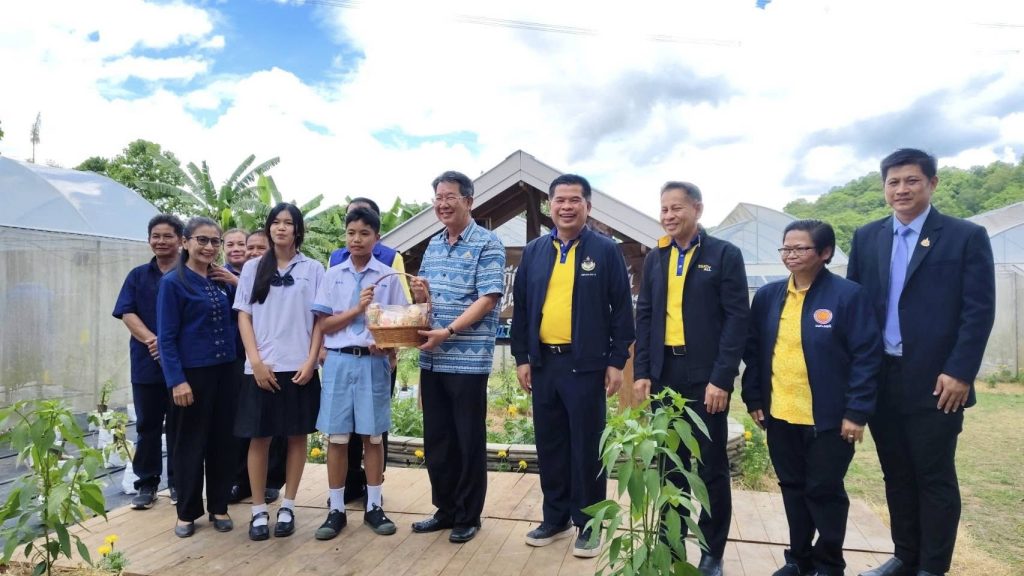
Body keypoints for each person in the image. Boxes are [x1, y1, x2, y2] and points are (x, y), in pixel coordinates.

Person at [847, 149, 995, 576]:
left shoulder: (965, 236)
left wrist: (960, 371)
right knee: (896, 473)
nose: (902, 189)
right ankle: (904, 555)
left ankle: (931, 567)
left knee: (933, 475)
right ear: (883, 188)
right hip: (882, 376)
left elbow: (978, 310)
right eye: (893, 182)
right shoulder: (868, 237)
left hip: (938, 380)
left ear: (932, 183)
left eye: (911, 180)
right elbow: (856, 307)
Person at [742, 220, 882, 576]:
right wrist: (754, 397)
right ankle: (799, 560)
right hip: (781, 413)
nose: (790, 255)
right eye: (786, 248)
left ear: (825, 253)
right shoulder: (769, 296)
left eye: (800, 248)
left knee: (824, 490)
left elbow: (866, 357)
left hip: (830, 418)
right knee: (792, 488)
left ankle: (830, 564)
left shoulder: (848, 296)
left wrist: (856, 411)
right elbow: (754, 351)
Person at [510, 174, 634, 557]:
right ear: (549, 206)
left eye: (574, 200)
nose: (566, 206)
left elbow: (622, 310)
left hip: (586, 367)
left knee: (586, 447)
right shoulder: (535, 251)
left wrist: (616, 362)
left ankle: (589, 523)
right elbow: (522, 308)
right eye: (559, 200)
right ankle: (556, 517)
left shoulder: (605, 250)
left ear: (588, 206)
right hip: (544, 365)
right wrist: (522, 357)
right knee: (550, 445)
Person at [633, 181, 749, 576]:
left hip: (706, 378)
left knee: (711, 464)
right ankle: (671, 543)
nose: (668, 215)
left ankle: (712, 551)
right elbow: (645, 316)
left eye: (676, 208)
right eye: (664, 208)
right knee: (670, 462)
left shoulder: (723, 255)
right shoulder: (657, 257)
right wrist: (643, 371)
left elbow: (737, 319)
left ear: (697, 209)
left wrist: (722, 378)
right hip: (664, 373)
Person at [409, 170, 505, 544]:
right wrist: (421, 295)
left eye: (450, 196)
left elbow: (488, 298)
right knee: (437, 438)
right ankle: (445, 509)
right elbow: (427, 300)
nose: (443, 204)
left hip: (467, 359)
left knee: (467, 438)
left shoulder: (488, 243)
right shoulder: (434, 244)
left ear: (469, 201)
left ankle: (468, 515)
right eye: (438, 197)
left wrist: (448, 331)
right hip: (431, 358)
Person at [312, 207, 408, 540]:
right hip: (339, 360)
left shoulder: (388, 277)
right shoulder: (332, 275)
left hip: (372, 363)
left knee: (373, 436)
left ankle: (374, 506)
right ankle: (336, 509)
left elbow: (399, 322)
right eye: (351, 233)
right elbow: (324, 325)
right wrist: (357, 309)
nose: (356, 239)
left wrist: (388, 345)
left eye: (364, 233)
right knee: (337, 438)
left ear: (376, 238)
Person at [234, 203, 325, 541]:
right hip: (263, 368)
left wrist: (311, 361)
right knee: (259, 438)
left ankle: (289, 505)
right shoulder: (252, 267)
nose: (281, 228)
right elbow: (244, 315)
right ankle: (258, 509)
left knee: (297, 437)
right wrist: (255, 362)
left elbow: (320, 319)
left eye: (288, 222)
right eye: (276, 222)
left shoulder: (313, 269)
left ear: (298, 229)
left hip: (299, 367)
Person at [156, 216, 237, 538]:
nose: (209, 247)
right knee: (189, 443)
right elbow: (166, 337)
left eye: (215, 241)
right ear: (186, 242)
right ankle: (187, 512)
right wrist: (177, 380)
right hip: (191, 375)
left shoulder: (220, 281)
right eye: (202, 240)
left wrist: (234, 283)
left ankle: (219, 506)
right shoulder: (173, 283)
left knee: (223, 442)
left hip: (226, 372)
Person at [112, 214, 183, 510]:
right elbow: (127, 312)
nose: (161, 241)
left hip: (182, 365)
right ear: (149, 239)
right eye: (156, 236)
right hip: (146, 363)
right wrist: (154, 341)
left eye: (168, 236)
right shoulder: (137, 276)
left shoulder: (190, 274)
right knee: (148, 425)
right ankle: (147, 483)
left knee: (180, 426)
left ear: (181, 240)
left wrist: (169, 348)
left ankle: (179, 483)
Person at [214, 229, 287, 506]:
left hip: (272, 356)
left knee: (274, 425)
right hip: (236, 356)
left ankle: (271, 481)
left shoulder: (278, 274)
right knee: (244, 422)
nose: (252, 252)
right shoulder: (217, 275)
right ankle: (239, 480)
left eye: (259, 247)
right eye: (249, 247)